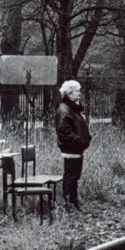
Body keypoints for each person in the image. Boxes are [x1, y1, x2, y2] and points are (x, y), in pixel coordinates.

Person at [55, 80, 92, 210]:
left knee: (75, 176)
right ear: (70, 93)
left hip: (76, 148)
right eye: (77, 90)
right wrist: (80, 141)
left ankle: (73, 202)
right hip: (71, 148)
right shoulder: (65, 109)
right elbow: (64, 132)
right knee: (70, 175)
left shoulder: (72, 108)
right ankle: (68, 203)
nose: (79, 93)